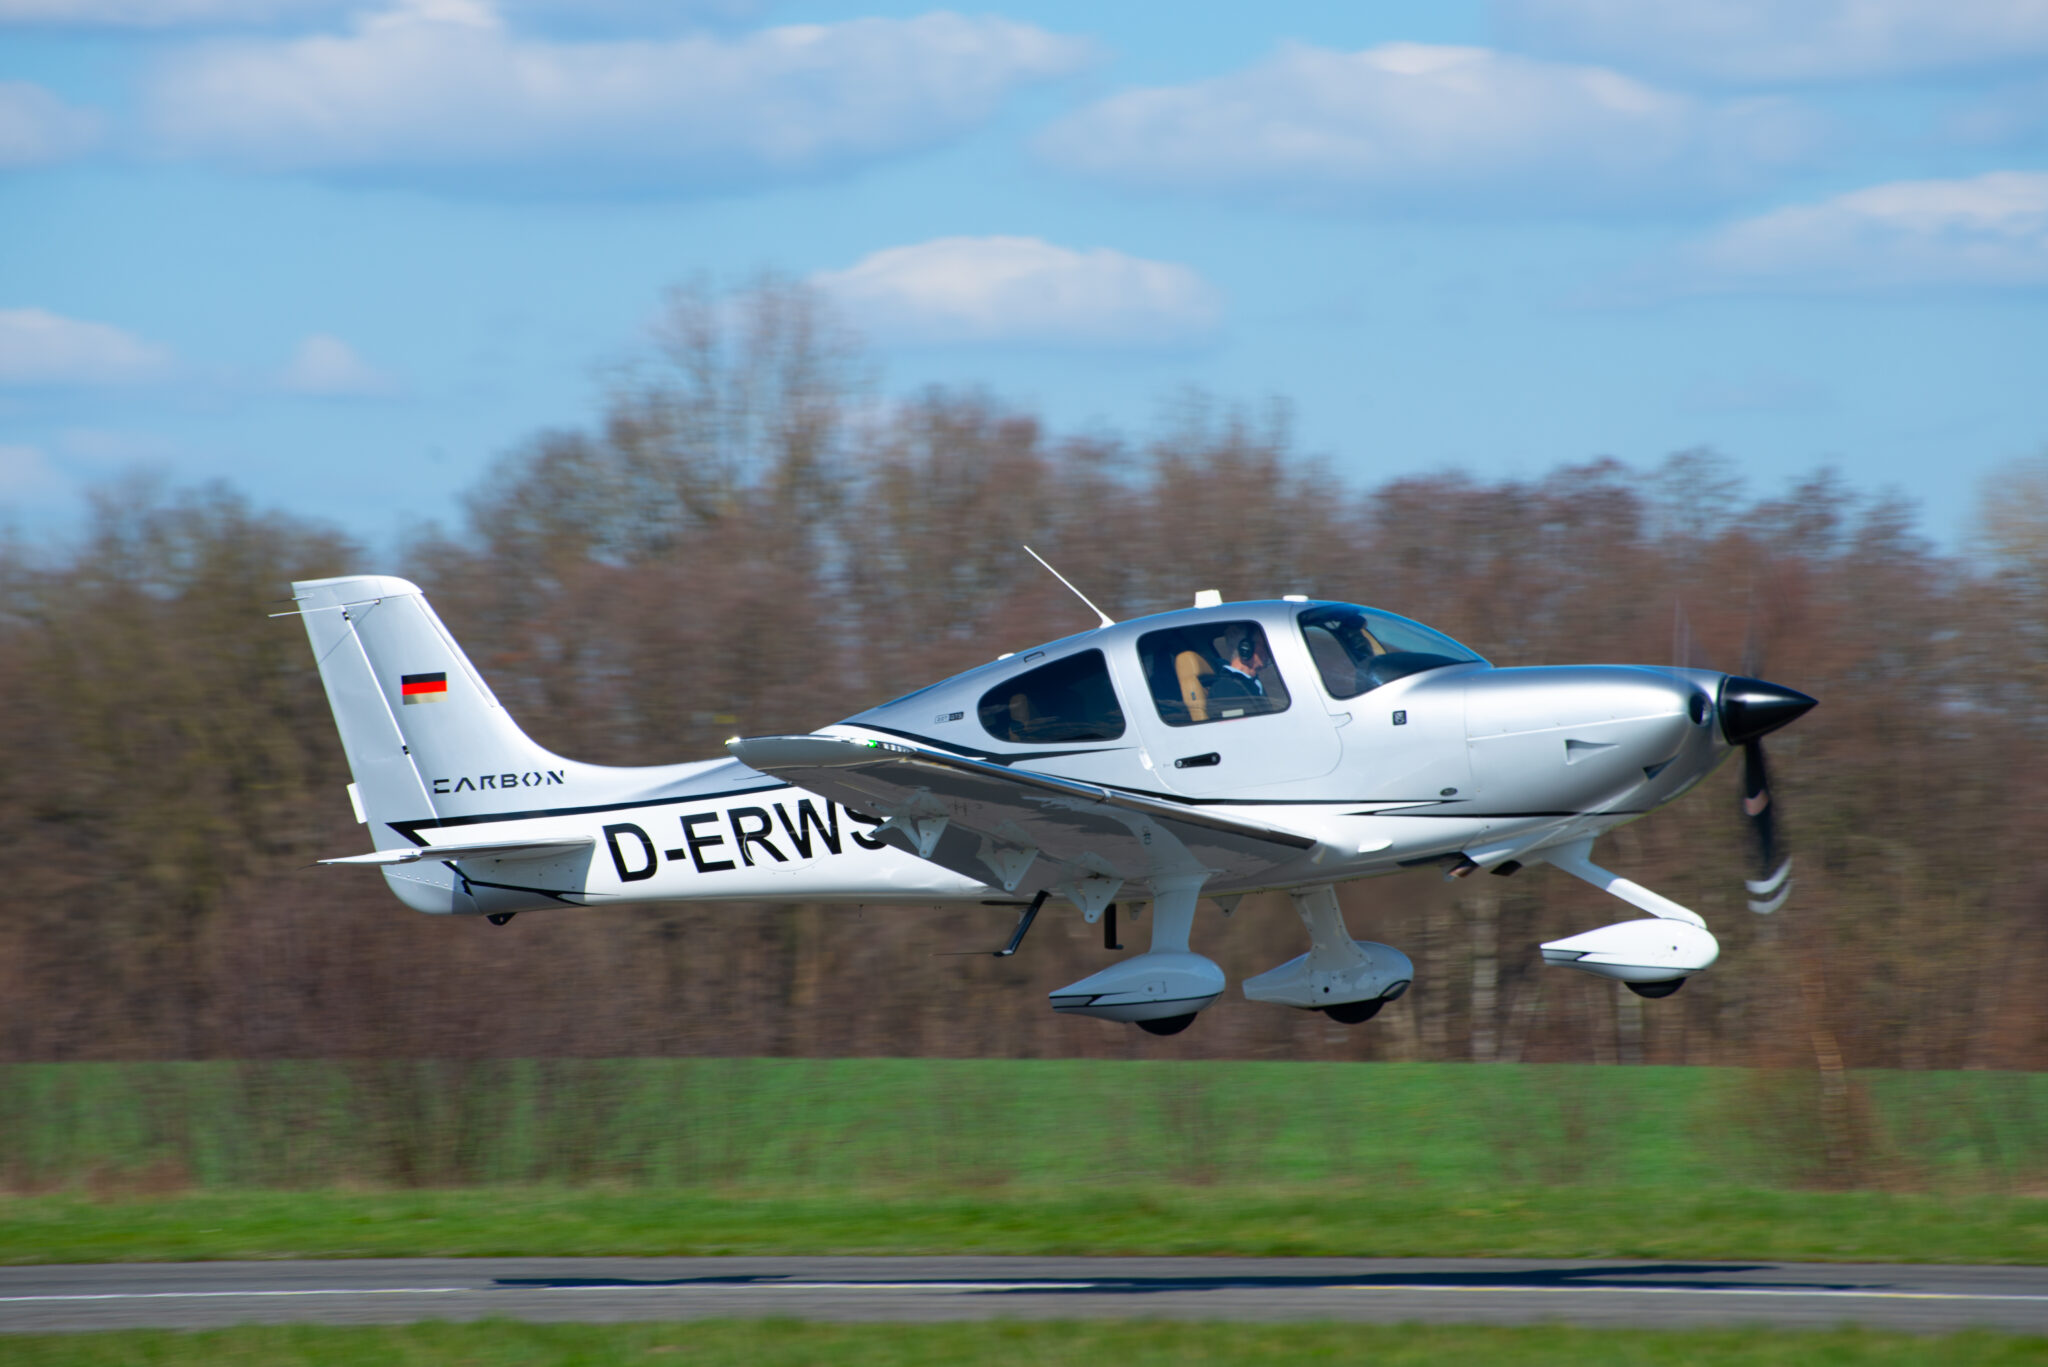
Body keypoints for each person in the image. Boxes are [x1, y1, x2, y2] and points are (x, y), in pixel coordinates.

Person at [1207, 626, 1269, 708]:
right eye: (1264, 645)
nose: (1268, 650)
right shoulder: (1226, 689)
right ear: (1246, 648)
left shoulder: (1251, 682)